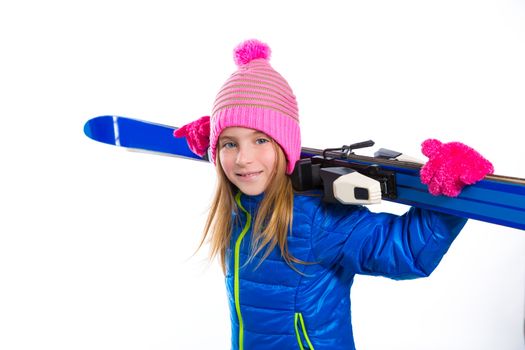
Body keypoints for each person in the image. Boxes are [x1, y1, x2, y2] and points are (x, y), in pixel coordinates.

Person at [173, 39, 494, 350]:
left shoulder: (315, 218)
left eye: (260, 140)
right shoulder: (239, 204)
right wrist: (213, 138)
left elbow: (405, 252)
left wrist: (448, 198)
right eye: (230, 143)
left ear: (285, 145)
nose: (243, 159)